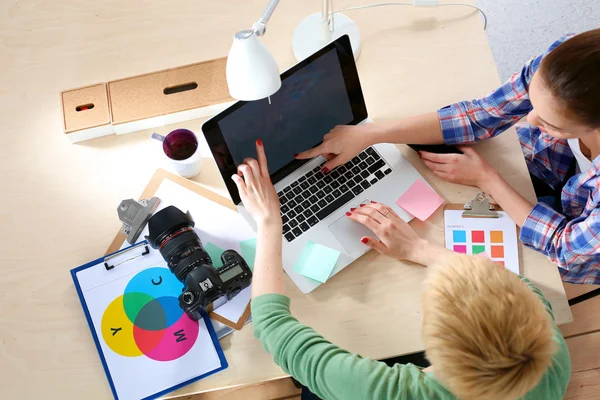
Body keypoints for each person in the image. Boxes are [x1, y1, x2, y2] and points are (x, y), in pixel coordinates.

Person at [231, 140, 571, 400]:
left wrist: (269, 222)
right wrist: (417, 248)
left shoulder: (391, 393)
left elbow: (273, 327)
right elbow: (516, 287)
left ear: (435, 349)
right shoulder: (549, 353)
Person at [295, 29, 600, 285]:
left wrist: (487, 178)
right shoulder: (568, 62)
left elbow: (564, 246)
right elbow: (483, 115)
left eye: (550, 123)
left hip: (572, 242)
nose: (529, 120)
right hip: (545, 167)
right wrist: (372, 133)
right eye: (532, 103)